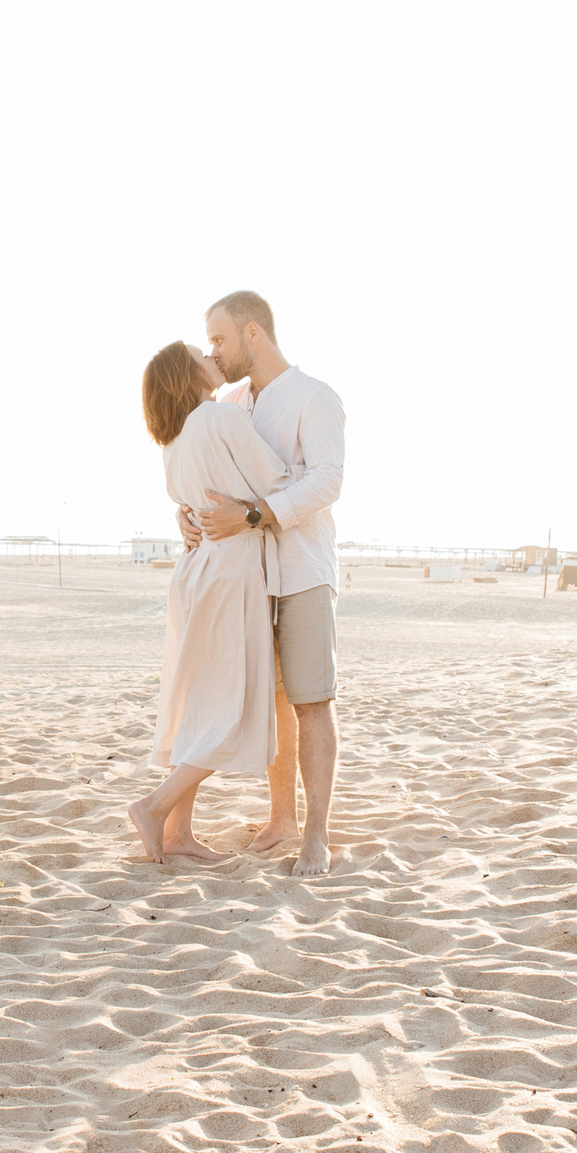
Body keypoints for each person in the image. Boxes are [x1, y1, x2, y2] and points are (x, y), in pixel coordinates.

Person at [181, 290, 347, 876]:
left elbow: (326, 481)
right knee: (274, 701)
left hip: (302, 570)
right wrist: (186, 514)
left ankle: (316, 835)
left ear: (253, 332)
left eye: (220, 339)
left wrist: (253, 515)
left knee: (311, 701)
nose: (213, 352)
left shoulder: (314, 397)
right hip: (247, 577)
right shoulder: (229, 404)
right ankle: (281, 819)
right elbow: (208, 474)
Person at [127, 342, 288, 863]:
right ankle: (155, 807)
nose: (213, 357)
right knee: (231, 708)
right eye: (202, 354)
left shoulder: (174, 440)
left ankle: (178, 833)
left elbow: (188, 501)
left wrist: (188, 514)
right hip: (230, 569)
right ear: (186, 373)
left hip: (196, 571)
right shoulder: (219, 418)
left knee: (198, 702)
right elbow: (278, 481)